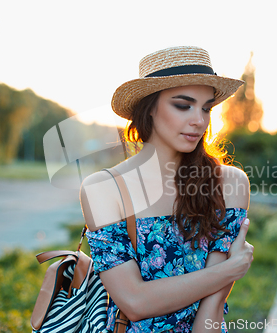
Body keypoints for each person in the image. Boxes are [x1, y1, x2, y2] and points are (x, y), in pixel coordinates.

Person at [79, 46, 254, 333]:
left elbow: (214, 302)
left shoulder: (229, 183)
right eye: (183, 105)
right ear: (149, 109)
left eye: (206, 107)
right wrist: (229, 270)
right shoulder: (103, 189)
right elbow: (134, 302)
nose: (199, 120)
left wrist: (221, 278)